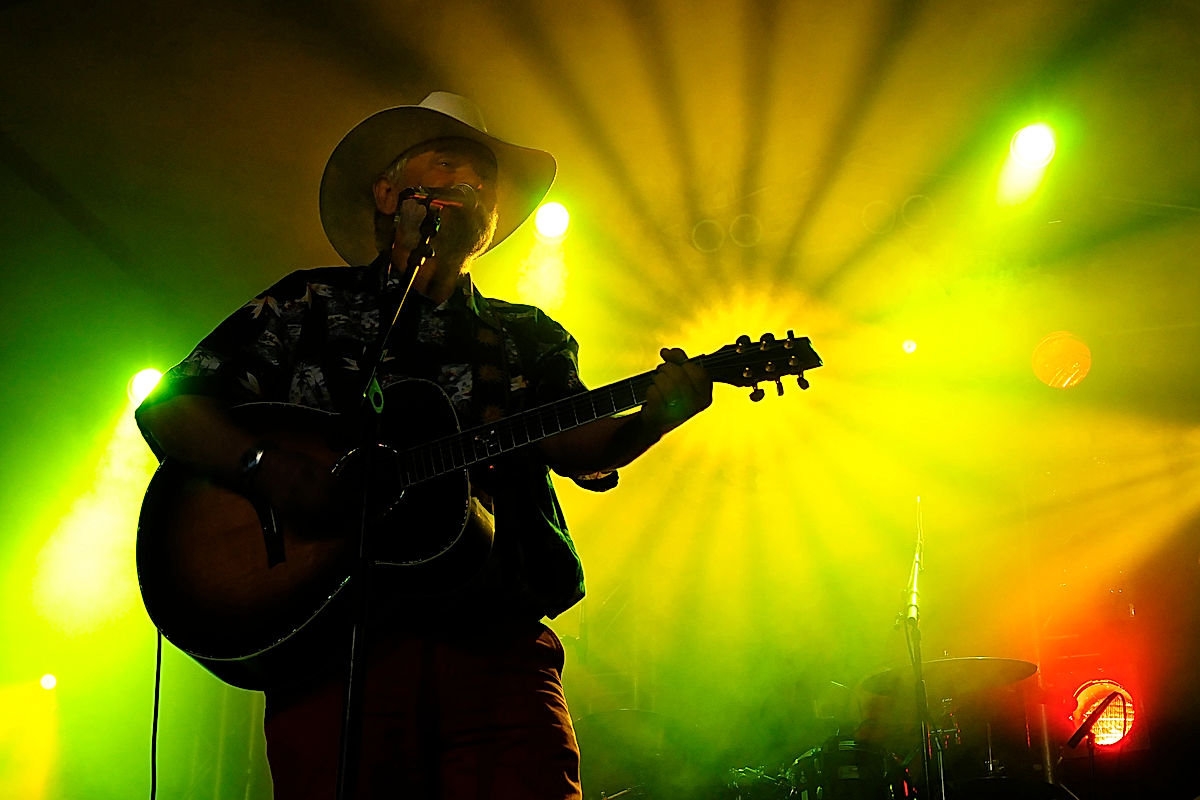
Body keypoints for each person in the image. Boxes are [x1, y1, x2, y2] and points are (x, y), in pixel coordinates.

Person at [135, 91, 712, 799]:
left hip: (494, 645)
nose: (472, 186)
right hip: (332, 649)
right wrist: (269, 468)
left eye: (486, 182)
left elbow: (578, 445)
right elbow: (172, 408)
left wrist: (653, 418)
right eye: (449, 165)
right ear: (388, 193)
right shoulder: (306, 304)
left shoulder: (525, 334)